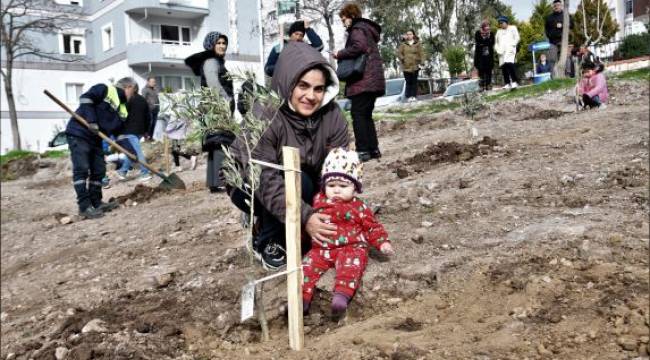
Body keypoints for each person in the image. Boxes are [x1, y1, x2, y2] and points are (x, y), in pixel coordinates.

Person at [228, 41, 350, 270]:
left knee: (305, 183)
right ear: (288, 83)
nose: (311, 96)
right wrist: (305, 217)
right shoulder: (264, 114)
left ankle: (284, 223)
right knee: (297, 181)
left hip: (301, 179)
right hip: (249, 184)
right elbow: (263, 179)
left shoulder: (333, 116)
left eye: (318, 88)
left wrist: (336, 212)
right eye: (303, 86)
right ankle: (267, 240)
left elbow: (339, 169)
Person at [302, 148, 393, 316]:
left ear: (355, 188)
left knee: (351, 266)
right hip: (322, 248)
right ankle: (302, 299)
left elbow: (372, 226)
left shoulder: (359, 207)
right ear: (324, 185)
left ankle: (341, 296)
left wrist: (382, 242)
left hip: (350, 246)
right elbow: (307, 222)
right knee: (306, 267)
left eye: (343, 186)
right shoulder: (317, 201)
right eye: (331, 185)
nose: (336, 190)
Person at [64, 83, 126, 218]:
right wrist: (91, 121)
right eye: (133, 91)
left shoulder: (122, 108)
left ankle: (96, 202)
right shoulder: (104, 89)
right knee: (82, 169)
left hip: (95, 138)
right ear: (128, 88)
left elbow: (119, 131)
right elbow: (85, 99)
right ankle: (84, 207)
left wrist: (128, 150)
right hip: (79, 133)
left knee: (99, 170)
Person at [334, 3, 385, 162]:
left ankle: (363, 150)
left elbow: (359, 46)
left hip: (362, 80)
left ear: (352, 16)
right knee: (366, 115)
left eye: (344, 19)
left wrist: (339, 54)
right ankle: (373, 149)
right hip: (373, 80)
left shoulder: (357, 29)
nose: (343, 23)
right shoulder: (367, 29)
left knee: (358, 114)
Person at [185, 31, 235, 192]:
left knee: (216, 143)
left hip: (215, 108)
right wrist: (226, 101)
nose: (222, 46)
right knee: (220, 142)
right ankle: (220, 180)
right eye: (219, 43)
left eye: (224, 43)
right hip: (217, 108)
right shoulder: (211, 61)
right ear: (211, 45)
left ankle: (215, 182)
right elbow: (214, 84)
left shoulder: (215, 61)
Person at [115, 78, 152, 182]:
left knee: (137, 152)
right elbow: (148, 117)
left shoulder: (127, 100)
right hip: (140, 131)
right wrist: (146, 131)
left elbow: (122, 115)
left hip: (129, 131)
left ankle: (145, 172)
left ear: (131, 88)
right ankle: (123, 171)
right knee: (131, 152)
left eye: (125, 87)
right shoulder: (142, 100)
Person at [159, 92, 198, 172]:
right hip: (180, 133)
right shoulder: (183, 108)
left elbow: (173, 123)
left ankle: (191, 158)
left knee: (176, 150)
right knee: (175, 150)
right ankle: (178, 166)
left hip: (176, 134)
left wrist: (166, 131)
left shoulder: (176, 111)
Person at [397, 29, 424, 102]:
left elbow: (421, 53)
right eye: (408, 34)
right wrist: (403, 59)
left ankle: (414, 96)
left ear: (413, 35)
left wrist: (422, 62)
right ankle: (408, 96)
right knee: (408, 81)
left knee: (414, 81)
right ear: (406, 35)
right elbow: (399, 53)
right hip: (406, 67)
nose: (409, 35)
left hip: (415, 66)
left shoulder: (417, 44)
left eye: (410, 34)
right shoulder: (403, 44)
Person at [545, 0, 573, 71]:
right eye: (555, 6)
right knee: (552, 59)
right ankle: (553, 77)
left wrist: (563, 25)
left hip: (563, 41)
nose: (556, 7)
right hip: (552, 42)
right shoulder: (549, 17)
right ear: (553, 7)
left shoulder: (566, 15)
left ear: (561, 6)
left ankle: (568, 74)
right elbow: (546, 30)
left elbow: (572, 25)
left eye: (558, 5)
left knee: (566, 58)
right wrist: (549, 36)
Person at [495, 15, 520, 90]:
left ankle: (515, 82)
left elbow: (517, 38)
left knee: (510, 65)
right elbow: (496, 42)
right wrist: (497, 50)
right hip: (501, 52)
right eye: (500, 23)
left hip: (510, 50)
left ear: (506, 22)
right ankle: (507, 83)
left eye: (502, 23)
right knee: (504, 67)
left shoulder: (513, 28)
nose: (501, 24)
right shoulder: (499, 32)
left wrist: (512, 45)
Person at [473, 20, 495, 91]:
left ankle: (488, 85)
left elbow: (492, 43)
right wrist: (486, 42)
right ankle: (481, 86)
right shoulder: (478, 33)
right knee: (481, 72)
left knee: (489, 72)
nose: (487, 27)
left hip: (489, 57)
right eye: (486, 26)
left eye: (488, 26)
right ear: (483, 27)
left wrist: (485, 42)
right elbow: (478, 42)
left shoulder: (491, 34)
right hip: (480, 57)